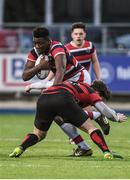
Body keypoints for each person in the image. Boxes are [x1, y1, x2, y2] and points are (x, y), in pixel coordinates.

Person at [22, 26, 94, 156]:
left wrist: (53, 95)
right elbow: (25, 76)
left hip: (79, 79)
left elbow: (60, 71)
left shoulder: (57, 48)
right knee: (57, 115)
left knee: (64, 111)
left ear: (48, 41)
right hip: (65, 83)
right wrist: (39, 66)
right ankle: (83, 147)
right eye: (35, 42)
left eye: (40, 43)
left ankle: (98, 116)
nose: (37, 46)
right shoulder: (34, 52)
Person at [9, 80, 127, 159]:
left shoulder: (74, 83)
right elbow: (104, 109)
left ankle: (20, 148)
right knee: (91, 128)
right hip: (63, 98)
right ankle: (106, 152)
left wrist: (31, 86)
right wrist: (116, 117)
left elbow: (47, 83)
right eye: (101, 98)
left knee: (39, 134)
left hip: (43, 99)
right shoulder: (92, 92)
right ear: (98, 92)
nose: (100, 101)